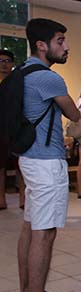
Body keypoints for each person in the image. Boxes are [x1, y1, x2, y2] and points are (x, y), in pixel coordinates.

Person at [13, 18, 81, 292]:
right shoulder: (49, 79)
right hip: (46, 161)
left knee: (30, 227)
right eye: (60, 41)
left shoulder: (22, 72)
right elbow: (74, 114)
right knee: (44, 232)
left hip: (29, 158)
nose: (65, 47)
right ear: (42, 45)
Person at [0, 49, 15, 210]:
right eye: (1, 61)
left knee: (21, 166)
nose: (4, 65)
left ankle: (24, 199)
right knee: (1, 166)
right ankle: (1, 198)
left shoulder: (16, 81)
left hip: (16, 128)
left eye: (7, 61)